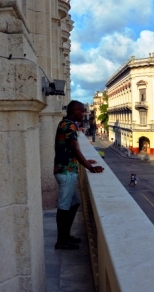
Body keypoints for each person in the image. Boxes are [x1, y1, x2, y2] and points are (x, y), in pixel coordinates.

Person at [53, 100, 104, 250]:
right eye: (82, 111)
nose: (84, 114)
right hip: (66, 172)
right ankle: (61, 241)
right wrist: (89, 167)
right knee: (63, 207)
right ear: (75, 112)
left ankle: (66, 236)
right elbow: (74, 148)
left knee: (75, 203)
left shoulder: (64, 123)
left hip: (66, 169)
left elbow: (68, 149)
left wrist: (84, 160)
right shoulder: (69, 126)